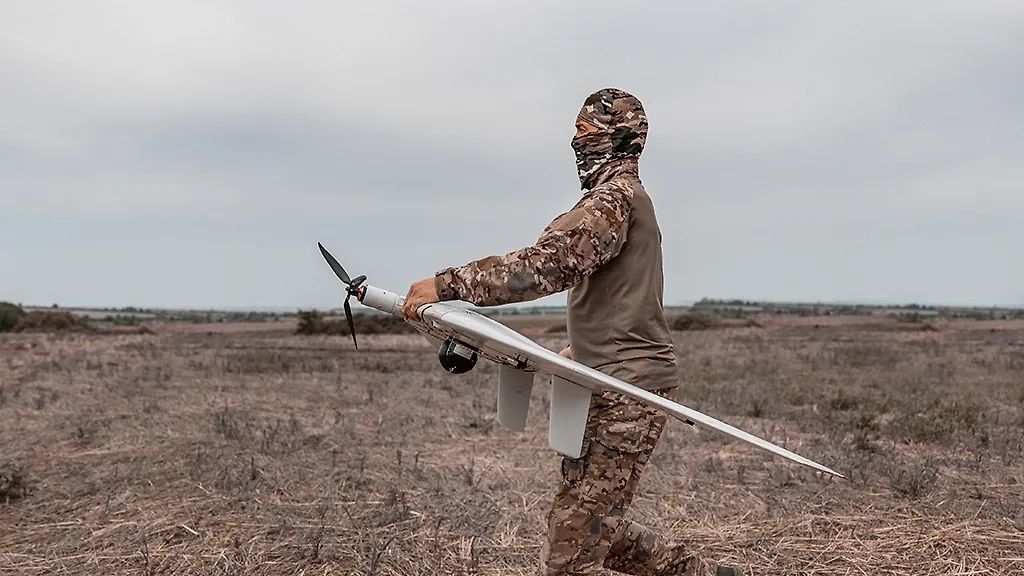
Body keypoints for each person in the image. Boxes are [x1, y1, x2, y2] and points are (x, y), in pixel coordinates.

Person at [402, 88, 741, 576]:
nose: (577, 144)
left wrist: (447, 285)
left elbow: (549, 265)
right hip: (608, 378)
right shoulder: (621, 201)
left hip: (627, 389)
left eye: (586, 133)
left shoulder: (614, 201)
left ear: (617, 138)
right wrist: (581, 347)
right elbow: (617, 296)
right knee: (593, 525)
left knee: (571, 549)